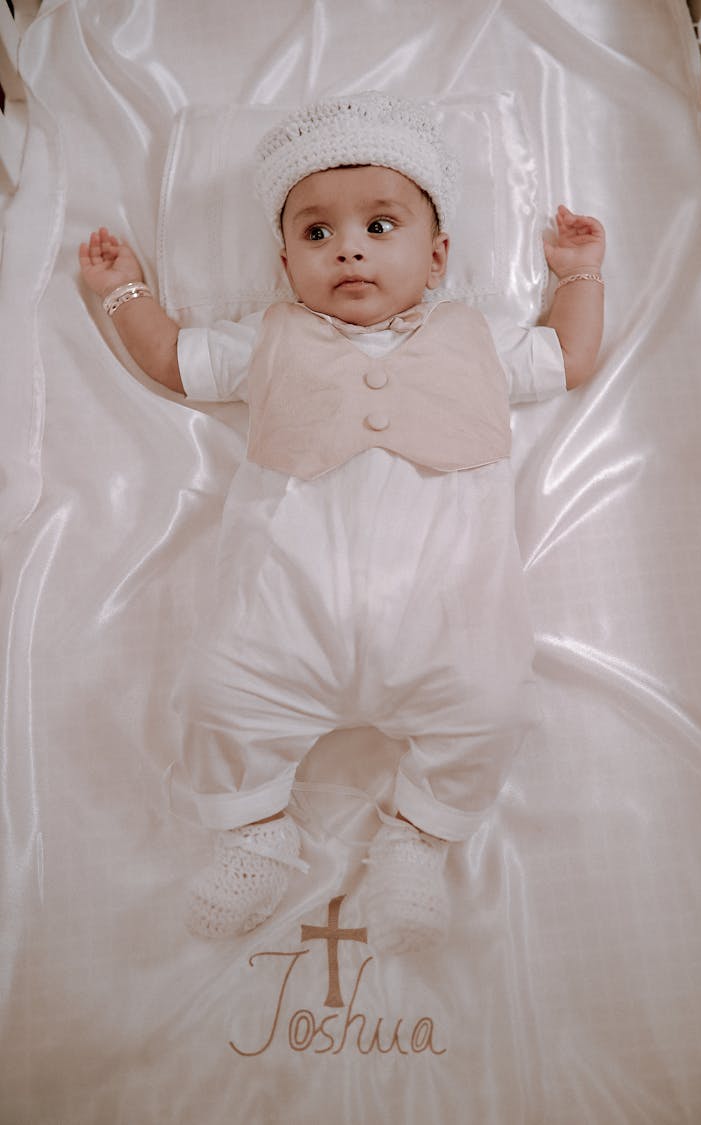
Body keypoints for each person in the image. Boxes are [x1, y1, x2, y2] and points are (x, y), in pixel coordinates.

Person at [79, 92, 605, 954]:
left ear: (437, 257)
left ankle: (418, 839)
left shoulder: (479, 339)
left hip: (448, 619)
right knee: (218, 690)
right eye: (317, 233)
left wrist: (576, 274)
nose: (350, 246)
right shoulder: (267, 340)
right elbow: (175, 358)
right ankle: (258, 832)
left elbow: (571, 355)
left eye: (381, 224)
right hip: (286, 618)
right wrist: (122, 288)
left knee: (495, 703)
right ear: (285, 266)